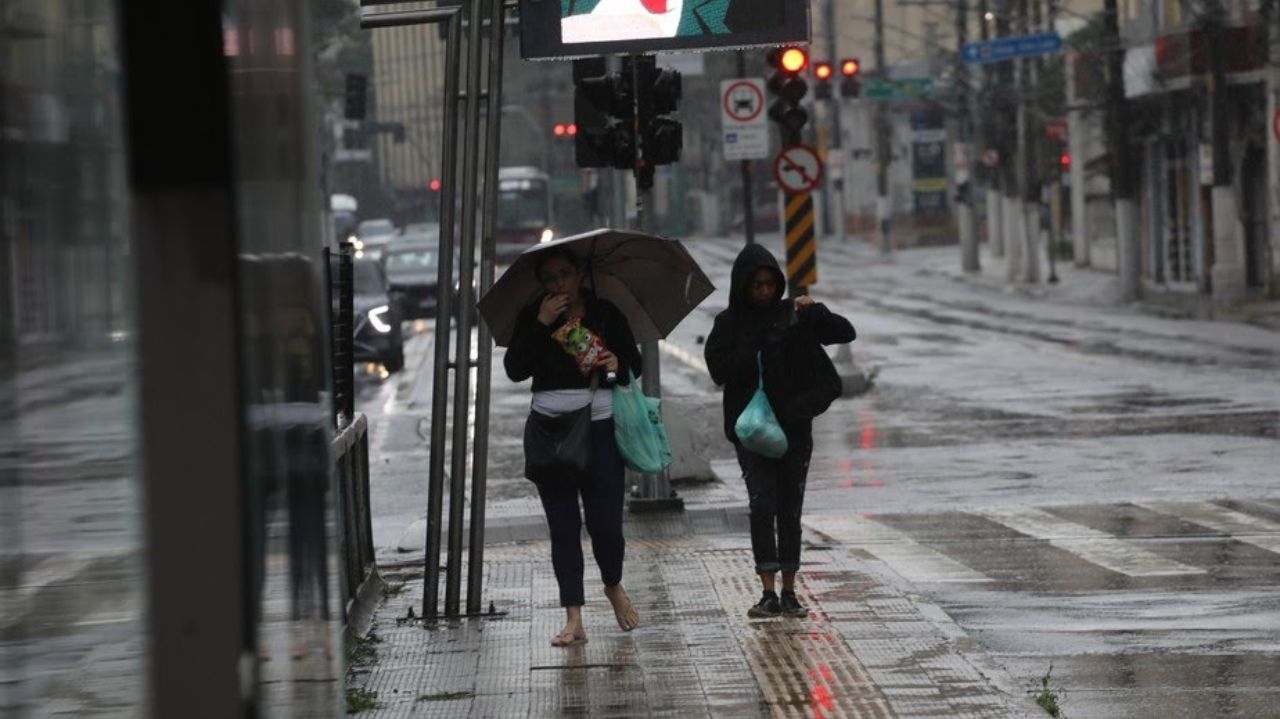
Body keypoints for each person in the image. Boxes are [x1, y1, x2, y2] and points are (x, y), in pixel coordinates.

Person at [704, 244, 855, 618]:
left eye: (770, 284)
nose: (764, 292)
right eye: (756, 285)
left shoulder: (792, 314)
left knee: (790, 507)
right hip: (753, 430)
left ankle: (789, 590)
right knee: (762, 504)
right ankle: (767, 590)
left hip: (794, 427)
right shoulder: (728, 323)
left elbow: (844, 333)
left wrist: (814, 312)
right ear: (743, 286)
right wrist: (753, 349)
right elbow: (718, 370)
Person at [504, 247, 643, 646]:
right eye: (548, 278)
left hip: (599, 427)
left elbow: (631, 370)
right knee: (563, 526)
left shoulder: (606, 314)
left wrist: (616, 367)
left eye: (564, 274)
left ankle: (613, 584)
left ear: (580, 274)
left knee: (605, 524)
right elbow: (515, 369)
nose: (557, 284)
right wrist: (541, 324)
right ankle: (573, 617)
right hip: (550, 432)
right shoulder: (534, 316)